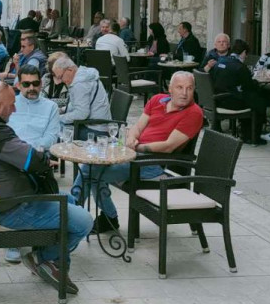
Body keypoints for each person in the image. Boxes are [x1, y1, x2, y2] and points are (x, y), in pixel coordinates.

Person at [0, 81, 92, 294]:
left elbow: (19, 153)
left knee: (70, 201)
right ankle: (48, 261)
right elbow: (32, 159)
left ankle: (47, 259)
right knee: (84, 221)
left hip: (2, 202)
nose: (14, 109)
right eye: (11, 104)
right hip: (13, 208)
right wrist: (42, 158)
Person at [72, 71, 204, 234]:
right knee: (92, 165)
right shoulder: (157, 100)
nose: (184, 93)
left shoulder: (194, 113)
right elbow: (138, 127)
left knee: (89, 171)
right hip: (132, 156)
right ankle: (101, 217)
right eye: (179, 87)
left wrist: (138, 147)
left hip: (150, 165)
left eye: (189, 88)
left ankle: (71, 216)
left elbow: (168, 146)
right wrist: (132, 138)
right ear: (170, 88)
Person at [1, 65, 63, 263]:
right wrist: (17, 151)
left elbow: (52, 135)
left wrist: (33, 150)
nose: (31, 88)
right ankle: (14, 237)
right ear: (18, 85)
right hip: (13, 156)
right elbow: (3, 132)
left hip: (36, 156)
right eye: (26, 84)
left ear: (41, 83)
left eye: (35, 83)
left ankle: (44, 238)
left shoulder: (50, 107)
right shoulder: (11, 103)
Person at [211, 39, 267, 145]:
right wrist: (256, 82)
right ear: (243, 52)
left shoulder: (220, 61)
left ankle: (245, 132)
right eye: (246, 54)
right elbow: (249, 86)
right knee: (259, 102)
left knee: (251, 98)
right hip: (230, 102)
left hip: (217, 99)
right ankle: (252, 136)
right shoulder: (240, 67)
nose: (246, 57)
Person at [53, 56, 110, 130]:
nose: (60, 81)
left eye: (60, 77)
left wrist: (58, 118)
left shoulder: (79, 84)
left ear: (70, 70)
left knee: (54, 129)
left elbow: (81, 113)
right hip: (100, 124)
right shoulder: (84, 75)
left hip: (94, 129)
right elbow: (78, 103)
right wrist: (62, 110)